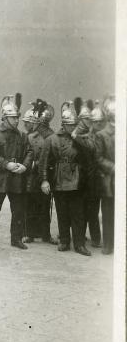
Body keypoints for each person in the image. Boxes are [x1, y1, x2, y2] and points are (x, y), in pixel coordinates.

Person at [40, 101, 90, 256]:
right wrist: (44, 180)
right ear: (63, 125)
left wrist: (78, 138)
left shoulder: (80, 138)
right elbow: (44, 162)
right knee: (62, 212)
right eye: (70, 125)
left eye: (74, 125)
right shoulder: (52, 139)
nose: (72, 127)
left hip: (77, 180)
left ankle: (80, 244)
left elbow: (88, 156)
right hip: (59, 179)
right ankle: (64, 241)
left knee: (78, 214)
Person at [0, 93, 33, 250]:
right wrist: (6, 164)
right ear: (4, 118)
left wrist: (25, 165)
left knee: (18, 210)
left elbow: (30, 151)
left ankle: (16, 239)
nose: (17, 120)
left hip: (17, 177)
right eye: (13, 117)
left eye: (17, 117)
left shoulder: (23, 136)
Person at [22, 99, 58, 245]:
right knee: (30, 205)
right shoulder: (30, 137)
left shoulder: (53, 137)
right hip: (32, 175)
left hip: (47, 175)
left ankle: (45, 234)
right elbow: (25, 155)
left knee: (45, 205)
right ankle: (29, 234)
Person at [71, 98, 103, 248]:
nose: (87, 122)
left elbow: (89, 147)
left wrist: (76, 136)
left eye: (88, 119)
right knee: (81, 209)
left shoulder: (94, 134)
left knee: (92, 211)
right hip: (81, 177)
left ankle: (96, 239)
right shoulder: (79, 133)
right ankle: (81, 236)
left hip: (93, 177)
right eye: (84, 119)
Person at [94, 96, 115, 255]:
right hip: (110, 180)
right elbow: (98, 158)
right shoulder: (101, 135)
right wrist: (114, 167)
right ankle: (108, 244)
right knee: (108, 213)